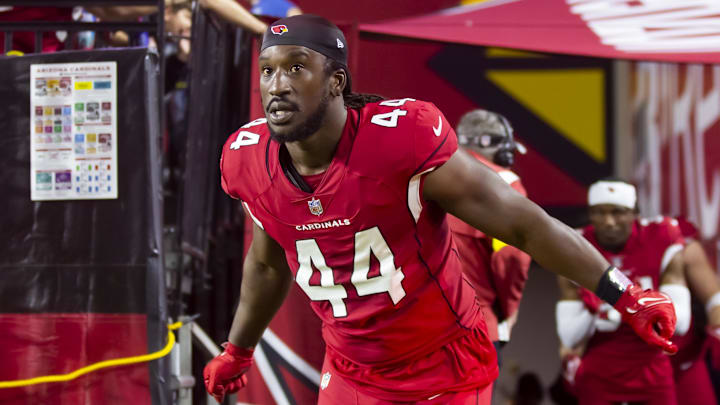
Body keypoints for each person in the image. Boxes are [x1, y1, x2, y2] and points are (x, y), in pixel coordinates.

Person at [204, 15, 679, 405]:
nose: (277, 85)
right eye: (267, 70)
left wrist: (625, 294)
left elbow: (522, 224)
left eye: (296, 67)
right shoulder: (246, 158)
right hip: (350, 368)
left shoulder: (399, 138)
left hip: (440, 366)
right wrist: (239, 349)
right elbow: (268, 263)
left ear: (336, 82)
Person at [555, 179, 691, 405]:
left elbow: (681, 323)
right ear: (590, 214)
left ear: (635, 214)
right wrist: (595, 312)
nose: (609, 222)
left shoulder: (660, 236)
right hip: (600, 370)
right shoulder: (575, 246)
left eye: (618, 212)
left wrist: (613, 310)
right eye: (600, 213)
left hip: (651, 367)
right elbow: (569, 336)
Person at [446, 109, 531, 354]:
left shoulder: (425, 171)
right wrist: (508, 310)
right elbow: (513, 256)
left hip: (411, 324)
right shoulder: (504, 182)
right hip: (474, 322)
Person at [671, 217, 720, 405]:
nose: (611, 223)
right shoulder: (588, 246)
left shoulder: (684, 248)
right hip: (624, 357)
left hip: (684, 354)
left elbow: (715, 300)